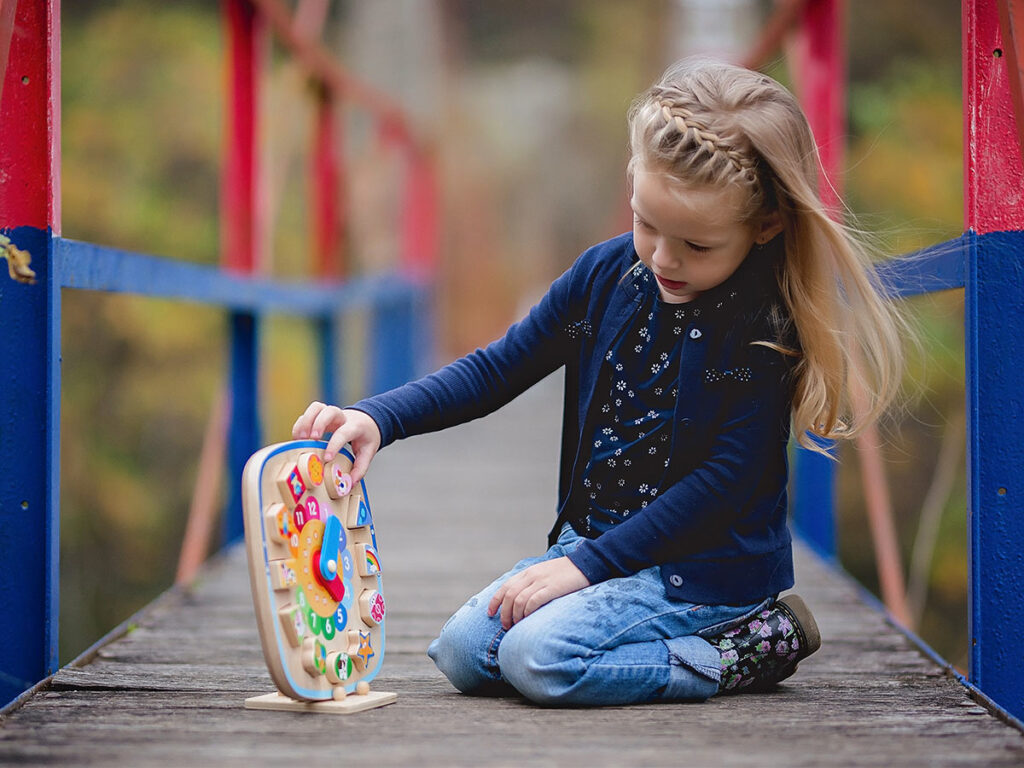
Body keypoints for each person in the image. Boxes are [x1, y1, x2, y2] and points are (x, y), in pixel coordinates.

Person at [292, 57, 906, 707]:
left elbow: (719, 486)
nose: (664, 258)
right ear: (632, 184)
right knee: (466, 652)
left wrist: (582, 570)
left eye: (697, 246)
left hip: (697, 572)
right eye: (647, 224)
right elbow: (499, 367)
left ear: (766, 224)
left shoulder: (758, 328)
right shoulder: (604, 277)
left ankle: (746, 649)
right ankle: (617, 623)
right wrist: (380, 418)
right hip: (592, 547)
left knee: (539, 658)